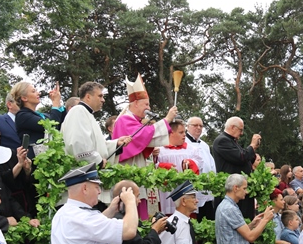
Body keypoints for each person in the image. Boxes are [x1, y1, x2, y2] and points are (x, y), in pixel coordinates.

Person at [112, 73, 178, 219]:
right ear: (136, 103)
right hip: (128, 176)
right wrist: (167, 119)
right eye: (146, 104)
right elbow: (140, 136)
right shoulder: (124, 120)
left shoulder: (135, 121)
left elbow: (144, 139)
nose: (149, 108)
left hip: (137, 173)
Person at [61, 81, 131, 168]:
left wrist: (116, 143)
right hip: (82, 171)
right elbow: (79, 144)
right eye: (100, 96)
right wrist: (98, 162)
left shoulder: (87, 114)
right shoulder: (78, 111)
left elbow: (97, 146)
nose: (103, 100)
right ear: (88, 97)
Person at [212, 117, 261, 220]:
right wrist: (252, 145)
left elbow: (246, 159)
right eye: (240, 130)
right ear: (233, 127)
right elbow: (240, 157)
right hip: (232, 189)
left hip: (239, 187)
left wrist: (253, 149)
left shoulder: (232, 141)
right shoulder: (222, 141)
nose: (242, 133)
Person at [155, 119, 203, 215]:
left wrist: (190, 163)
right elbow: (152, 166)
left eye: (184, 132)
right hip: (167, 191)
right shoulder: (159, 150)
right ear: (171, 133)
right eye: (181, 132)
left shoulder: (192, 149)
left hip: (186, 190)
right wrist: (162, 167)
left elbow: (200, 163)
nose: (184, 135)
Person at [11, 81, 65, 158]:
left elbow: (59, 123)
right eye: (33, 91)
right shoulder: (22, 116)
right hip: (36, 160)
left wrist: (58, 103)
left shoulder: (43, 115)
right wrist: (55, 103)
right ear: (24, 98)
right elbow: (51, 127)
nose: (38, 93)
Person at [185, 116, 216, 220]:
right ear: (188, 127)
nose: (198, 128)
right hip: (193, 188)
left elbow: (211, 164)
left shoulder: (204, 145)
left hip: (206, 188)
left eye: (201, 126)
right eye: (195, 125)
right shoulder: (184, 143)